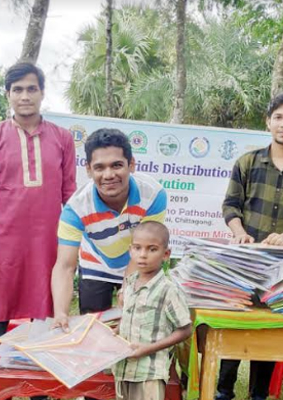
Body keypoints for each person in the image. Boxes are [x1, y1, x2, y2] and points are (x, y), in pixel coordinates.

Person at [0, 62, 77, 385]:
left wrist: (72, 251)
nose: (25, 96)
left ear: (42, 93)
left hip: (48, 247)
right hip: (4, 245)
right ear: (8, 95)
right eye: (17, 90)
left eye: (32, 88)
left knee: (44, 325)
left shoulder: (62, 138)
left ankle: (40, 390)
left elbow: (70, 195)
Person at [218, 92, 283, 400]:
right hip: (245, 261)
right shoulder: (248, 162)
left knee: (269, 328)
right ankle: (224, 390)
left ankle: (259, 394)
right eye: (278, 117)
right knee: (236, 323)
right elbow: (231, 205)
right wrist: (238, 231)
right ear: (268, 122)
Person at [51, 128, 167, 326]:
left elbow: (144, 248)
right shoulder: (76, 209)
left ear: (131, 165)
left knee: (137, 325)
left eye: (117, 165)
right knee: (93, 329)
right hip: (96, 261)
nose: (109, 175)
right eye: (99, 167)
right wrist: (60, 313)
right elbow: (65, 266)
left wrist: (127, 288)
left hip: (140, 258)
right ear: (88, 170)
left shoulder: (153, 195)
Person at [112, 221, 192, 400]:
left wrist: (148, 348)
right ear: (130, 250)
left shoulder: (168, 290)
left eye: (152, 249)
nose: (143, 255)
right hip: (123, 369)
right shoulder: (130, 284)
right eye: (137, 248)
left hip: (150, 373)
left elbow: (185, 330)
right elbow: (128, 317)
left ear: (166, 254)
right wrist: (115, 333)